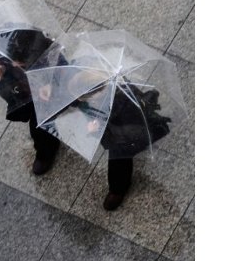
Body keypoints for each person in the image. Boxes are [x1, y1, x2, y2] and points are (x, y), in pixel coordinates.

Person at [70, 71, 171, 210]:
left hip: (132, 132)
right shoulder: (104, 87)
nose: (82, 101)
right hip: (121, 124)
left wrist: (97, 129)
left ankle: (118, 189)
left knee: (119, 158)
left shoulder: (120, 103)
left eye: (84, 98)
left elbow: (117, 136)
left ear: (96, 93)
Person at [0, 27, 63, 175]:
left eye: (18, 64)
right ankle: (46, 150)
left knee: (45, 121)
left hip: (50, 87)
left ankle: (47, 146)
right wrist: (0, 80)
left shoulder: (40, 46)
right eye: (13, 63)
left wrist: (48, 83)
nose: (15, 65)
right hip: (30, 99)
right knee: (38, 128)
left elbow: (61, 65)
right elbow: (10, 97)